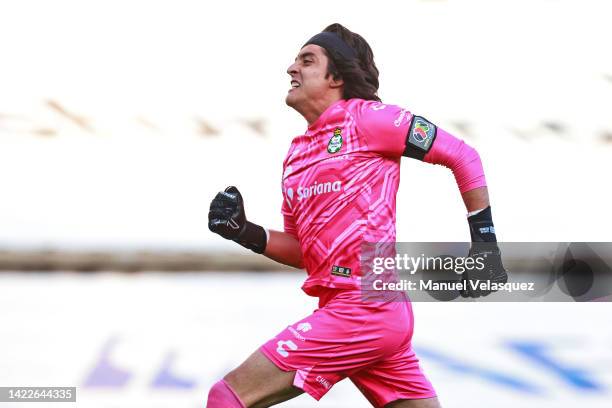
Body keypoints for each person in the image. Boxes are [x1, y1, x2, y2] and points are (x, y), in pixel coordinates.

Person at [206, 23, 506, 408]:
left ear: (335, 77)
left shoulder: (369, 120)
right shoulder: (296, 155)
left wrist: (486, 247)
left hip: (364, 306)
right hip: (352, 308)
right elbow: (302, 252)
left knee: (228, 397)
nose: (291, 69)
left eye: (307, 60)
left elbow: (464, 156)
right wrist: (244, 231)